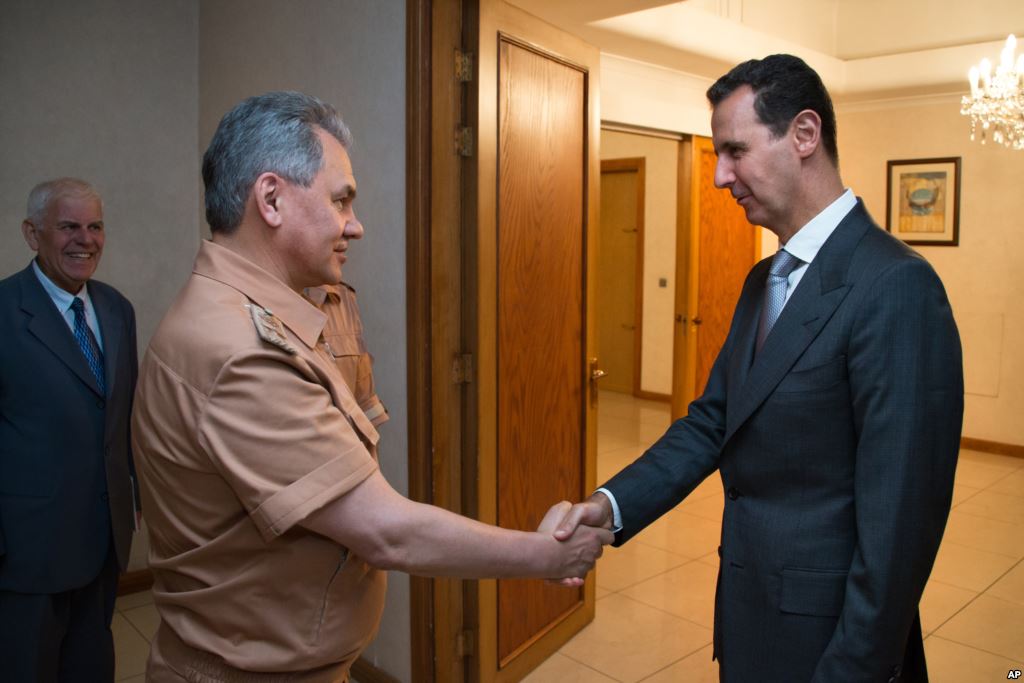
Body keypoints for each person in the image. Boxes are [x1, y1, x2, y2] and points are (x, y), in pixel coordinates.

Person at [132, 91, 611, 681]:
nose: (354, 225)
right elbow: (385, 532)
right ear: (272, 198)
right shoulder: (240, 350)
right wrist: (546, 555)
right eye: (341, 200)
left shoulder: (261, 313)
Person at [555, 54, 963, 683]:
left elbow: (901, 528)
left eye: (734, 151)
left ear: (804, 135)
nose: (720, 176)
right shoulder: (762, 281)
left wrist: (856, 667)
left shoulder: (896, 286)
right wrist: (610, 506)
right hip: (751, 615)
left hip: (829, 641)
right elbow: (713, 421)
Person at [0, 178, 139, 681]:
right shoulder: (3, 311)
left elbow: (122, 420)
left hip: (102, 542)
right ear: (32, 233)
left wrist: (134, 502)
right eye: (68, 227)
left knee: (91, 665)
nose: (86, 239)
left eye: (95, 226)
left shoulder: (117, 310)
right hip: (28, 551)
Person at [303, 281, 389, 442]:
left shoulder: (342, 298)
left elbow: (366, 408)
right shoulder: (254, 301)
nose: (346, 253)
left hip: (347, 457)